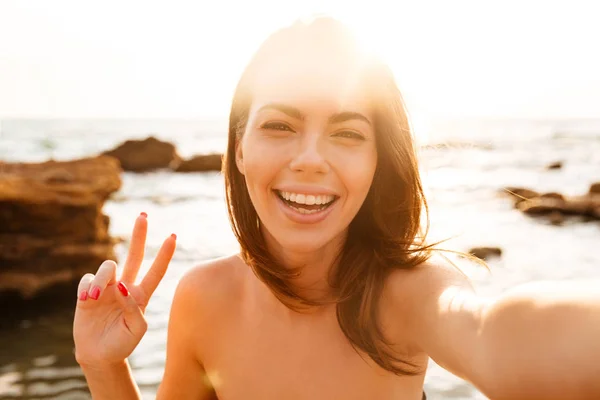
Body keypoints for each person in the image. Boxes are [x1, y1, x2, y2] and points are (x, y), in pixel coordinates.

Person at [73, 16, 600, 400]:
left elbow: (493, 339)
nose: (310, 160)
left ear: (378, 160)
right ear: (238, 148)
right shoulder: (203, 298)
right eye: (279, 125)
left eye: (347, 133)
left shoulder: (410, 291)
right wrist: (102, 365)